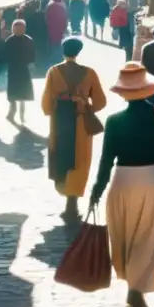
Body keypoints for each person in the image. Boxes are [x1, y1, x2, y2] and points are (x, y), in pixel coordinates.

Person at [90, 62, 154, 307]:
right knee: (148, 237)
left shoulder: (114, 120)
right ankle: (137, 289)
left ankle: (133, 287)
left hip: (122, 181)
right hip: (152, 179)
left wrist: (97, 188)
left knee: (125, 235)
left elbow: (106, 159)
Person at [42, 37, 107, 221]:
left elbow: (46, 105)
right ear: (79, 52)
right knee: (80, 160)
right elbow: (101, 102)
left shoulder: (54, 72)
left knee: (60, 155)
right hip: (80, 123)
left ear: (63, 51)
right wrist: (85, 105)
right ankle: (73, 201)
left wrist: (55, 107)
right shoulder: (89, 73)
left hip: (60, 123)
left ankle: (67, 198)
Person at [3, 19, 36, 123]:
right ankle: (13, 111)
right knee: (14, 92)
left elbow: (32, 55)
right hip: (14, 69)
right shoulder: (10, 41)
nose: (18, 30)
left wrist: (31, 64)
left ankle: (21, 114)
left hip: (22, 69)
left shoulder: (28, 40)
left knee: (22, 93)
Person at [46, 0, 68, 66]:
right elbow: (65, 19)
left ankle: (53, 62)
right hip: (60, 31)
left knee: (53, 46)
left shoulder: (50, 5)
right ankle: (59, 62)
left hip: (51, 30)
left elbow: (47, 19)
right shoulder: (62, 5)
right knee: (58, 45)